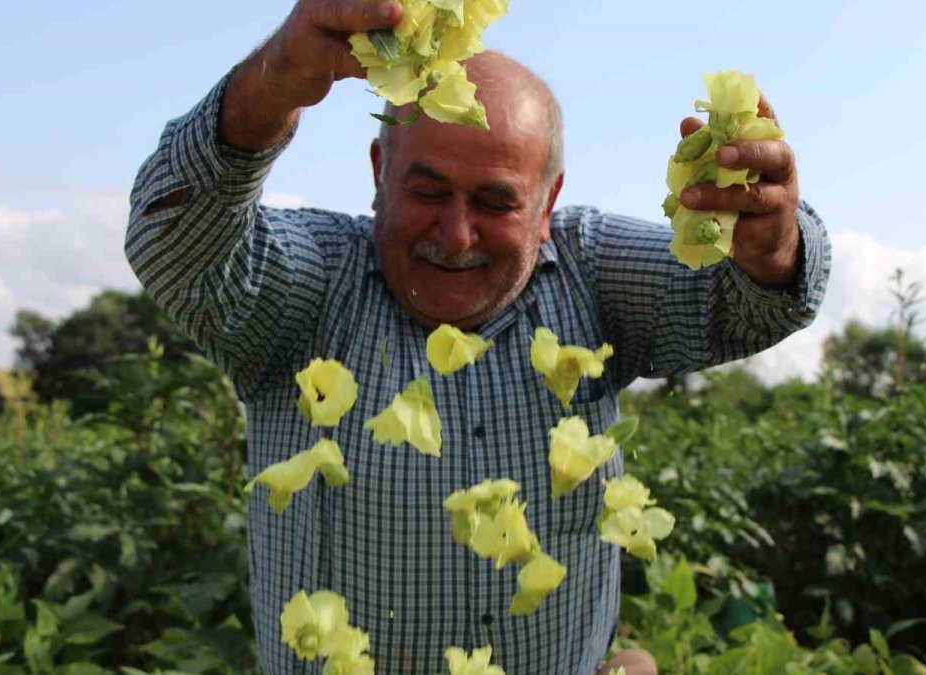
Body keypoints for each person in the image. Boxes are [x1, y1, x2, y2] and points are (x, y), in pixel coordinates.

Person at [124, 1, 831, 673]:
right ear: (379, 174)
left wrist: (773, 248)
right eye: (428, 192)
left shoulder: (591, 269)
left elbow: (751, 306)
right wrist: (274, 82)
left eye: (496, 201)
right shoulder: (306, 290)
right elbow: (172, 247)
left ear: (547, 204)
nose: (457, 234)